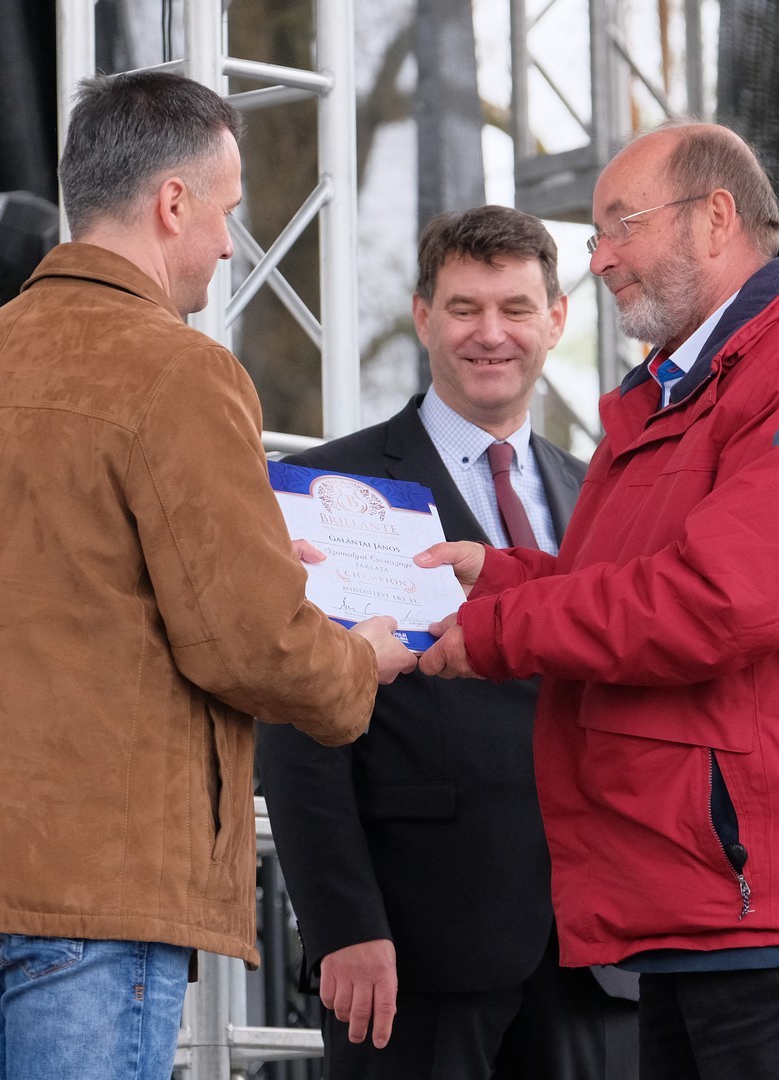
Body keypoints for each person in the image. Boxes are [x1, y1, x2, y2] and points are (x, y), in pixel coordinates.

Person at [0, 69, 415, 1080]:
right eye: (226, 211)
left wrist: (249, 555)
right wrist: (360, 662)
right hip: (92, 873)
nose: (230, 243)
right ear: (173, 202)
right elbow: (247, 641)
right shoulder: (179, 369)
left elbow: (57, 576)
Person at [416, 122, 779, 1080]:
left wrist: (497, 630)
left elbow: (721, 602)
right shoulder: (676, 396)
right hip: (697, 916)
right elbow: (628, 584)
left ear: (715, 218)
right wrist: (499, 578)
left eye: (623, 224)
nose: (599, 257)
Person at [259, 205, 639, 1079]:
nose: (491, 334)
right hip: (414, 949)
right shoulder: (327, 486)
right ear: (424, 316)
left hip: (598, 949)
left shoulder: (607, 494)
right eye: (465, 309)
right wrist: (344, 925)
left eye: (516, 309)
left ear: (556, 320)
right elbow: (297, 722)